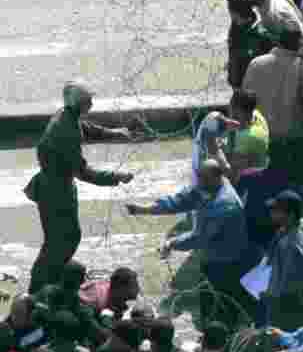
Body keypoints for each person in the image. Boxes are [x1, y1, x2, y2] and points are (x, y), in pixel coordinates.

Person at [25, 82, 133, 293]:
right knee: (60, 241)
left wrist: (113, 133)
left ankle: (49, 280)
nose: (92, 103)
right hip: (55, 192)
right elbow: (83, 172)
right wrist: (115, 177)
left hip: (56, 186)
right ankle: (40, 287)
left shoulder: (66, 116)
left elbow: (84, 127)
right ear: (79, 103)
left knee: (65, 238)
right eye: (88, 100)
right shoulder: (66, 130)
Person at [126, 160, 255, 326]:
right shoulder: (205, 187)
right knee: (209, 301)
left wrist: (171, 243)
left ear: (218, 178)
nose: (200, 182)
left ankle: (222, 339)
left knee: (223, 307)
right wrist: (144, 209)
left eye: (204, 179)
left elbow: (199, 238)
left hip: (228, 262)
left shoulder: (225, 205)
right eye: (199, 178)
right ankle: (213, 333)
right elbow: (179, 201)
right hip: (212, 257)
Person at [243, 29, 303, 186]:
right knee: (292, 185)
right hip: (293, 139)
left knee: (264, 185)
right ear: (299, 44)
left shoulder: (256, 64)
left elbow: (245, 102)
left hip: (261, 138)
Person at [264, 191, 303, 330]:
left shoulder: (292, 243)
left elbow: (289, 278)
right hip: (302, 297)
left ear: (290, 215)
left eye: (277, 211)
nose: (272, 214)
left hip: (287, 302)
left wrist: (273, 298)